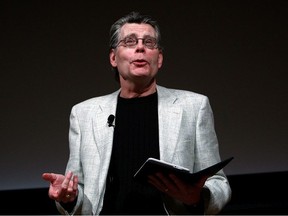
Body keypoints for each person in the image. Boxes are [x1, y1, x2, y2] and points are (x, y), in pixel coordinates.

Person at [42, 11, 232, 215]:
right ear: (113, 58)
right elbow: (77, 193)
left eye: (149, 42)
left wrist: (197, 198)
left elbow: (219, 183)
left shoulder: (194, 106)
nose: (140, 47)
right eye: (130, 42)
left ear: (159, 59)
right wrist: (69, 198)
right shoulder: (84, 114)